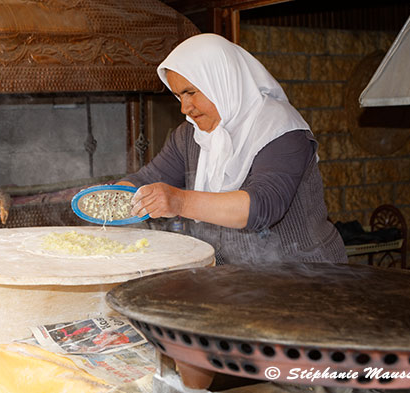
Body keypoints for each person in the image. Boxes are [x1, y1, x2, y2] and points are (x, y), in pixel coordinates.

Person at [117, 33, 347, 265]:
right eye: (178, 96)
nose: (185, 108)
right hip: (239, 277)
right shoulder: (190, 135)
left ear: (221, 81)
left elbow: (263, 206)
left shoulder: (281, 128)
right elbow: (146, 180)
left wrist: (180, 202)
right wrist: (105, 199)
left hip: (306, 274)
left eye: (191, 92)